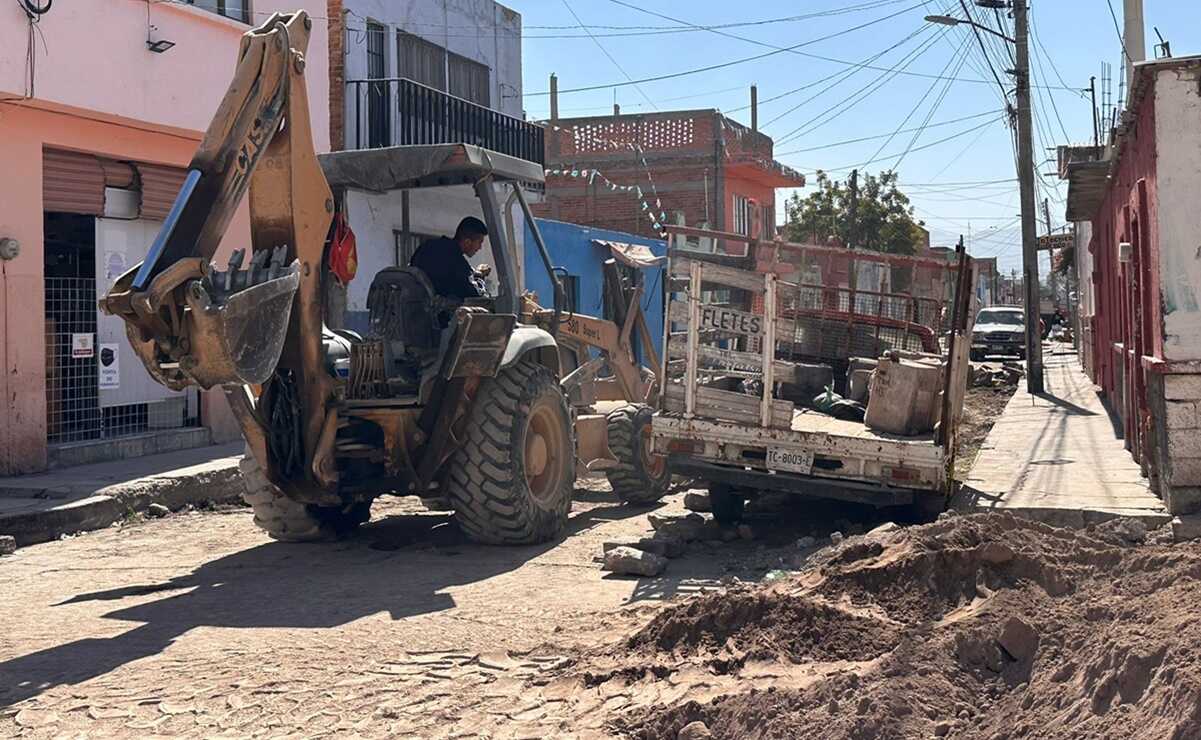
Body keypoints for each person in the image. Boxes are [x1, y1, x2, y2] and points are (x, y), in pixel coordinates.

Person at [409, 217, 489, 301]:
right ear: (467, 242)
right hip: (440, 311)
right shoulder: (457, 261)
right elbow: (475, 294)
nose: (480, 248)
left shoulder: (426, 247)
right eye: (480, 242)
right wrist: (480, 276)